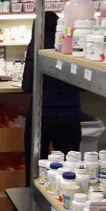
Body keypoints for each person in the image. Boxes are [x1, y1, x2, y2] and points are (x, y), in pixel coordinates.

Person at [22, 11, 82, 186]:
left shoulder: (37, 46)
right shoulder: (70, 45)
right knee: (69, 169)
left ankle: (34, 205)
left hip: (42, 116)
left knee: (35, 168)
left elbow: (27, 85)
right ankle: (64, 205)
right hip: (70, 115)